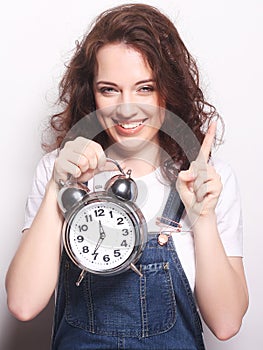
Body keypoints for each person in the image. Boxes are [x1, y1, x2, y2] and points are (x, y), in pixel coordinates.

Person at [5, 3, 248, 349]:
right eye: (109, 89)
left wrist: (202, 215)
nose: (127, 107)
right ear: (92, 92)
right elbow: (23, 304)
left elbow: (226, 323)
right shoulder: (57, 169)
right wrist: (57, 189)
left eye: (145, 88)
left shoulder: (210, 178)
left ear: (169, 89)